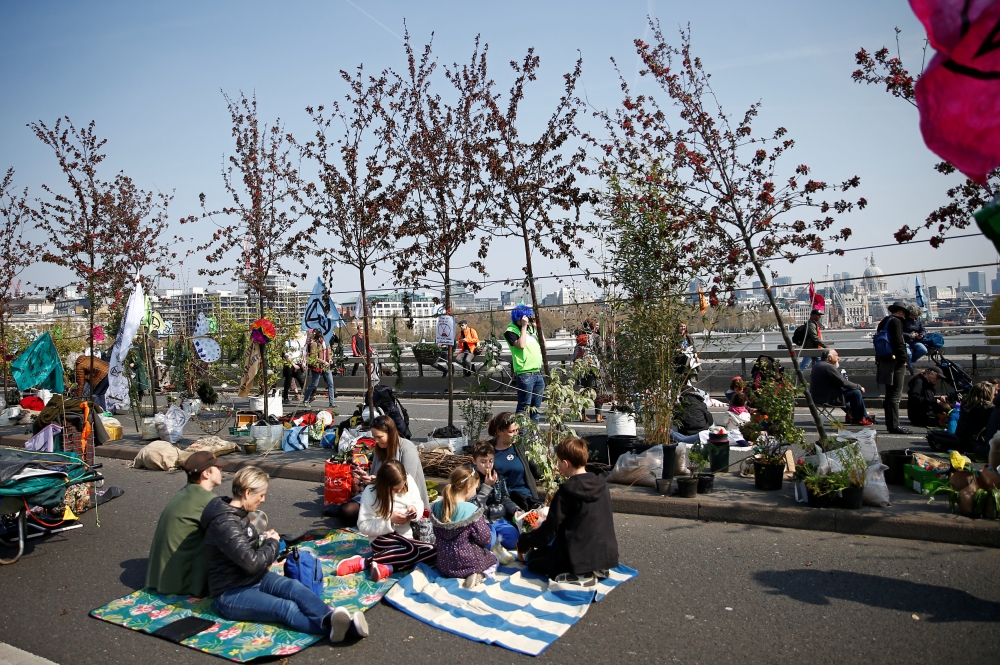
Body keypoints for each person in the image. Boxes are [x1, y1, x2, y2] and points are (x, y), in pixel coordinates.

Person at [202, 467, 369, 643]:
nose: (263, 500)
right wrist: (272, 544)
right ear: (247, 492)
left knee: (294, 588)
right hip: (232, 592)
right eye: (261, 495)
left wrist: (264, 540)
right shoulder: (225, 523)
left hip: (253, 578)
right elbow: (251, 562)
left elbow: (243, 550)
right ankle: (345, 631)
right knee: (285, 608)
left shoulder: (237, 512)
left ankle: (330, 618)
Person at [516, 438, 619, 586]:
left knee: (533, 559)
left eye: (558, 461)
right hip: (606, 554)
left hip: (577, 556)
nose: (557, 465)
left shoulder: (566, 491)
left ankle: (579, 575)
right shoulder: (602, 484)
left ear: (566, 463)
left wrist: (524, 540)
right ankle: (597, 568)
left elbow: (549, 532)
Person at [334, 461, 436, 582]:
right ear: (384, 485)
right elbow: (363, 525)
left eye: (401, 487)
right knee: (412, 552)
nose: (398, 491)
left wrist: (414, 511)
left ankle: (388, 567)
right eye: (395, 489)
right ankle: (364, 562)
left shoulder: (408, 480)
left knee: (435, 551)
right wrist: (389, 520)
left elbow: (418, 503)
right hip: (381, 539)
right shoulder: (371, 492)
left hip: (405, 538)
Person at [323, 415, 429, 524]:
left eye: (379, 436)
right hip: (380, 492)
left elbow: (405, 482)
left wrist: (377, 481)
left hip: (402, 496)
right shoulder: (379, 449)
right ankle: (370, 517)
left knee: (350, 512)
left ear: (391, 433)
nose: (376, 441)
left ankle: (374, 518)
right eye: (374, 437)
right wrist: (366, 476)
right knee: (346, 510)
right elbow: (375, 476)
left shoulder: (407, 448)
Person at [145, 452, 221, 596]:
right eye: (218, 468)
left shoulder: (184, 493)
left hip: (160, 578)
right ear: (206, 473)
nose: (221, 471)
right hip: (181, 584)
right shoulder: (208, 500)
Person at [430, 465, 501, 589]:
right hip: (468, 563)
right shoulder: (472, 510)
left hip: (443, 565)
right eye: (476, 487)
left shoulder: (437, 507)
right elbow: (485, 539)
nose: (476, 491)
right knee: (493, 559)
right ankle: (478, 575)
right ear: (468, 487)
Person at [468, 439, 522, 549]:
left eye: (491, 461)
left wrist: (515, 509)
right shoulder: (471, 479)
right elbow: (472, 506)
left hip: (499, 519)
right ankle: (492, 541)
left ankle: (496, 539)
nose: (488, 466)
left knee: (515, 541)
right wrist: (486, 487)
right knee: (488, 543)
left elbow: (504, 498)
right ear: (474, 461)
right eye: (483, 462)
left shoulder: (497, 476)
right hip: (482, 521)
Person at [487, 412, 541, 511]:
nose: (516, 434)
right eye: (511, 432)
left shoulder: (521, 446)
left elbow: (537, 470)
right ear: (499, 431)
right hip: (500, 500)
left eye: (517, 430)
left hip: (524, 498)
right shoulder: (487, 449)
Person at [809, 349, 874, 425]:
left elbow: (831, 382)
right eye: (836, 356)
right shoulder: (828, 367)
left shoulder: (817, 365)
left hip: (817, 397)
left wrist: (842, 380)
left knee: (846, 394)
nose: (838, 358)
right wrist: (859, 386)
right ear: (829, 358)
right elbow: (843, 383)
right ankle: (859, 418)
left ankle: (854, 415)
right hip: (827, 399)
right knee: (856, 392)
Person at [504, 304, 545, 422]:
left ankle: (534, 436)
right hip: (525, 373)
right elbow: (521, 345)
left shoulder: (531, 329)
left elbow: (544, 344)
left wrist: (537, 326)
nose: (528, 318)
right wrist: (523, 327)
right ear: (519, 317)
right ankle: (520, 435)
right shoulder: (510, 331)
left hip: (538, 372)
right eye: (526, 316)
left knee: (535, 409)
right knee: (523, 407)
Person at [877, 301, 911, 434]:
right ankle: (894, 425)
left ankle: (890, 424)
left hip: (884, 360)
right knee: (896, 394)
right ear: (901, 312)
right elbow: (898, 343)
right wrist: (903, 360)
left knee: (889, 394)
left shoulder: (884, 321)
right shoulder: (896, 322)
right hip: (895, 362)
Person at [954, 383, 995, 452]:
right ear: (988, 394)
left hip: (961, 441)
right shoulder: (989, 408)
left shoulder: (965, 405)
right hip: (978, 444)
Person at [302, 330, 335, 407]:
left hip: (326, 366)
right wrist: (323, 361)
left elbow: (330, 352)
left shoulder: (327, 342)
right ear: (320, 336)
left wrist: (330, 359)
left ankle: (332, 402)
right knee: (314, 384)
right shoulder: (314, 343)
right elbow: (313, 357)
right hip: (317, 366)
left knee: (331, 384)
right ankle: (306, 399)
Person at [282, 333, 307, 403]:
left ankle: (307, 397)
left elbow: (300, 354)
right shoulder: (287, 343)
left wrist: (301, 363)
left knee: (301, 380)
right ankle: (285, 398)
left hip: (297, 363)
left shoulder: (298, 343)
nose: (293, 336)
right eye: (292, 334)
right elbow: (286, 355)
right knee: (288, 381)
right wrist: (293, 364)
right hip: (290, 364)